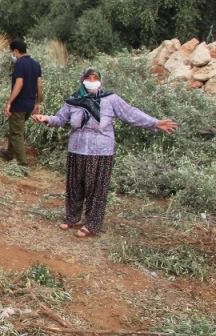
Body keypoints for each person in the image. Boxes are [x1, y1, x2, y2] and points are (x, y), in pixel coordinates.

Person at [32, 68, 178, 237]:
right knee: (74, 186)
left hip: (100, 150)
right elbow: (60, 119)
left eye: (95, 78)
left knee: (96, 189)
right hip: (77, 148)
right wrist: (46, 119)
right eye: (88, 77)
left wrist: (155, 123)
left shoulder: (110, 99)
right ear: (82, 80)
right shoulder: (73, 101)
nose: (92, 80)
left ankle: (92, 224)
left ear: (100, 80)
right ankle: (72, 218)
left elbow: (130, 114)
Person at [2, 38, 43, 165]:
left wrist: (9, 102)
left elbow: (19, 83)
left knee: (17, 133)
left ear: (16, 51)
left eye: (12, 52)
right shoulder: (36, 64)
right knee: (15, 128)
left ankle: (22, 163)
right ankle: (9, 153)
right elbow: (40, 85)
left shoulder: (20, 64)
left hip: (19, 104)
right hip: (30, 104)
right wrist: (37, 103)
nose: (12, 55)